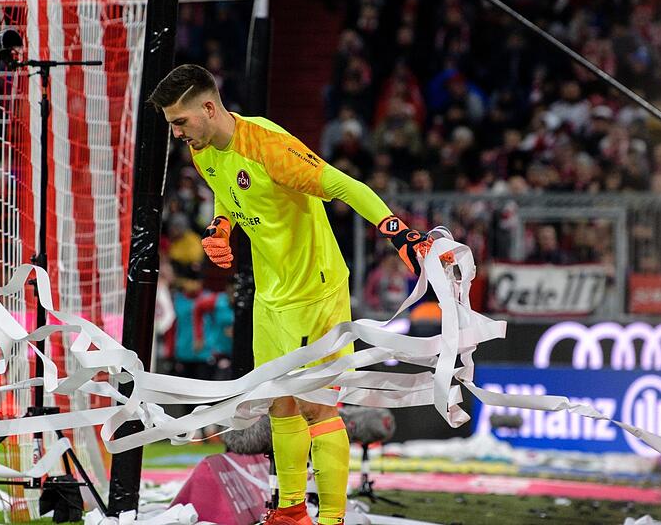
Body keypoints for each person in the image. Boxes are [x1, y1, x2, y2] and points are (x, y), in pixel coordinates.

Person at [147, 64, 448, 525]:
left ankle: (331, 519)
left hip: (313, 292)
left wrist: (399, 233)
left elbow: (344, 184)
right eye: (172, 124)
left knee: (316, 406)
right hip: (270, 294)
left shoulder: (268, 147)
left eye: (180, 122)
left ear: (208, 108)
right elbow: (228, 192)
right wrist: (221, 225)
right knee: (278, 402)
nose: (176, 133)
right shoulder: (203, 149)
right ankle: (290, 511)